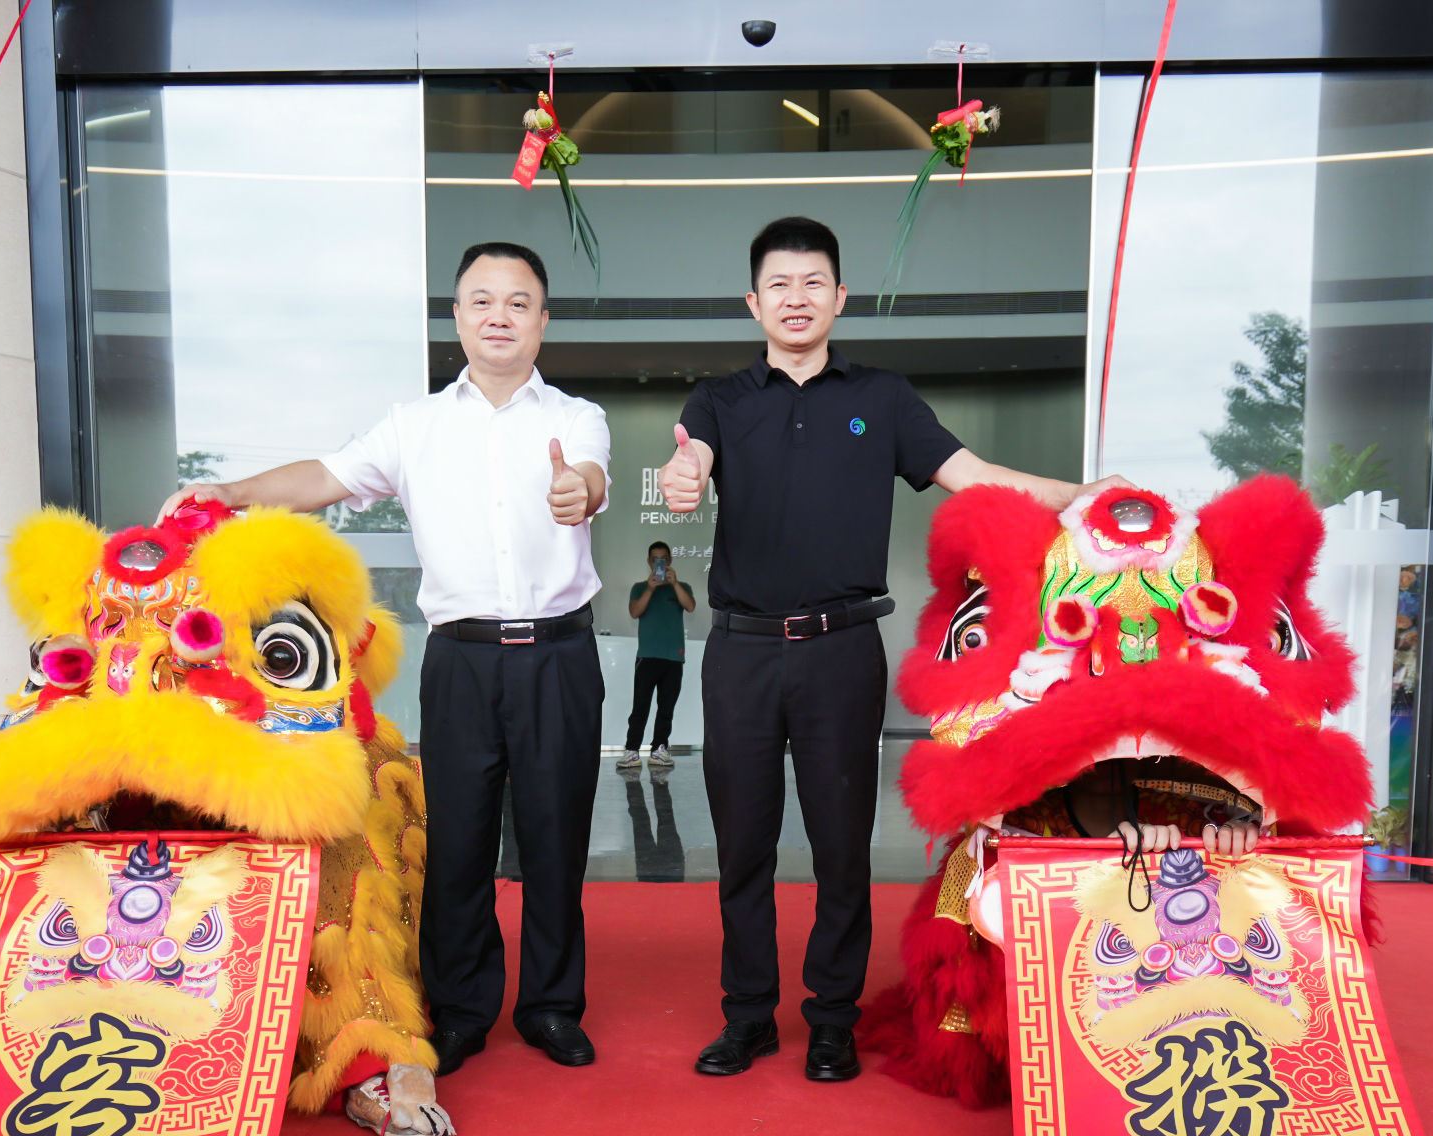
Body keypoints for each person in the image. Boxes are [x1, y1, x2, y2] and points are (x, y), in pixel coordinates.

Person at [659, 215, 1121, 1084]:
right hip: (741, 654)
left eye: (814, 283)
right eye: (779, 285)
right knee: (743, 845)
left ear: (840, 296)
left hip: (842, 651)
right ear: (754, 303)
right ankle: (747, 1015)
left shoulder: (882, 399)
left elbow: (972, 476)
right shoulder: (718, 400)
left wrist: (1078, 494)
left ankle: (831, 1020)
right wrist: (685, 477)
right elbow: (693, 462)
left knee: (842, 846)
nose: (797, 299)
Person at [164, 241, 610, 1076]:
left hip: (557, 656)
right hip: (461, 661)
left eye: (518, 303)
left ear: (543, 321)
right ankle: (462, 1009)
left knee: (556, 838)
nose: (500, 317)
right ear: (458, 317)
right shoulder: (414, 426)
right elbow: (325, 478)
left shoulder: (577, 418)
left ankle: (552, 1007)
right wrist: (231, 492)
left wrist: (575, 492)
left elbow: (589, 479)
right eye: (483, 301)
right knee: (459, 844)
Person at [617, 540, 693, 771]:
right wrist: (650, 589)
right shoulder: (640, 587)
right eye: (655, 560)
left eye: (663, 559)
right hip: (647, 657)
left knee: (666, 708)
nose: (659, 563)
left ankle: (659, 749)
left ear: (669, 561)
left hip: (674, 658)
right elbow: (634, 612)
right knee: (640, 707)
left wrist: (675, 583)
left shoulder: (682, 587)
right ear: (649, 562)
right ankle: (632, 750)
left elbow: (690, 606)